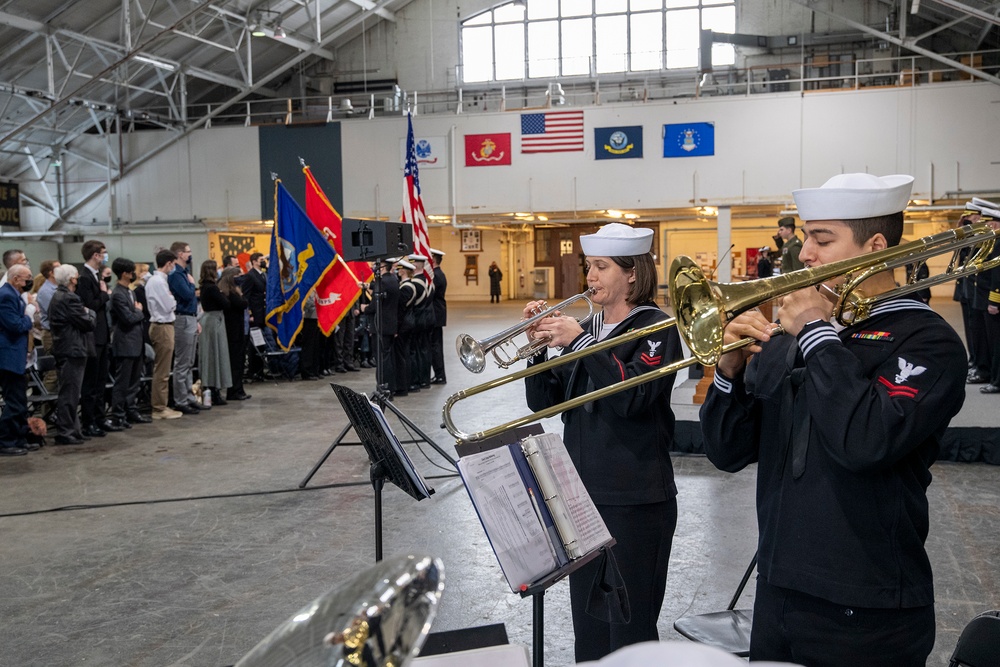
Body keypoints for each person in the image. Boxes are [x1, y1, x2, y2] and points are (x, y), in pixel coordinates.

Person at [700, 173, 968, 666]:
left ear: (876, 246)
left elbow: (865, 441)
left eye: (822, 239)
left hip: (868, 606)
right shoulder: (795, 337)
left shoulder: (927, 341)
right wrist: (728, 371)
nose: (804, 254)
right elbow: (727, 452)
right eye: (805, 238)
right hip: (778, 591)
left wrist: (818, 332)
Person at [524, 223, 683, 661]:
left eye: (601, 267)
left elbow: (632, 398)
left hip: (635, 498)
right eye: (588, 267)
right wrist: (536, 350)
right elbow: (546, 402)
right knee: (590, 626)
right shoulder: (590, 327)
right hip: (580, 495)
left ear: (632, 274)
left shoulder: (656, 327)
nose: (590, 277)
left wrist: (580, 341)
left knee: (630, 626)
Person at [47, 264, 95, 446]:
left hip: (66, 348)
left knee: (72, 392)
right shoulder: (69, 298)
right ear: (72, 280)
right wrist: (89, 312)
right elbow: (88, 323)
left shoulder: (59, 296)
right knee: (70, 393)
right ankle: (66, 431)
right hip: (72, 349)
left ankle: (74, 429)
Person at [77, 239, 120, 435]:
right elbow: (90, 305)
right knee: (91, 383)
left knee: (101, 381)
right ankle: (89, 421)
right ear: (95, 255)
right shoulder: (85, 277)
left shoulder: (96, 276)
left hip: (102, 335)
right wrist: (104, 294)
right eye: (103, 253)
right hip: (93, 336)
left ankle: (100, 417)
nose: (105, 256)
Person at [107, 258, 150, 429]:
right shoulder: (118, 294)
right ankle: (118, 414)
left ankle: (131, 410)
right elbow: (128, 318)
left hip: (135, 341)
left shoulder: (129, 292)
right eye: (132, 272)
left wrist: (136, 313)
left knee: (134, 381)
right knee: (122, 382)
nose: (134, 275)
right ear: (125, 273)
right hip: (125, 342)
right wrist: (139, 312)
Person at [0, 264, 37, 455]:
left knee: (20, 401)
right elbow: (15, 325)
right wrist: (29, 314)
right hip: (8, 356)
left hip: (17, 355)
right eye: (27, 277)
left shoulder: (14, 294)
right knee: (14, 401)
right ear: (15, 279)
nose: (29, 280)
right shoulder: (5, 295)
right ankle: (6, 441)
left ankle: (19, 438)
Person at [146, 250, 182, 420]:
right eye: (173, 264)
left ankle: (161, 404)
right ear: (168, 263)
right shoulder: (158, 282)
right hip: (162, 326)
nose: (174, 267)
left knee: (164, 368)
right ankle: (159, 407)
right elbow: (169, 305)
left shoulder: (159, 281)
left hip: (165, 325)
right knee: (162, 370)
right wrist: (173, 300)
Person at [168, 241, 202, 414]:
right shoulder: (176, 275)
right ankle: (180, 400)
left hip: (190, 318)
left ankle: (189, 396)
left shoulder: (184, 273)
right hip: (182, 319)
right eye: (188, 251)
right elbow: (188, 295)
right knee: (182, 363)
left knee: (189, 362)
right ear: (180, 254)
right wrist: (191, 284)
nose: (190, 254)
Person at [197, 260, 232, 406]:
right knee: (215, 356)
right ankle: (214, 389)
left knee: (211, 356)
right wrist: (224, 294)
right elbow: (226, 304)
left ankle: (212, 389)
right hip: (214, 322)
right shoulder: (212, 288)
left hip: (210, 320)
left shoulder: (204, 287)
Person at [219, 267, 251, 401]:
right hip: (233, 331)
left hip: (238, 329)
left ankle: (238, 389)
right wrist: (242, 295)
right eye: (238, 275)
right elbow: (243, 303)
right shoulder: (230, 293)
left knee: (239, 361)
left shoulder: (232, 291)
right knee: (235, 362)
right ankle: (234, 390)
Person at [242, 252, 268, 381]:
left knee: (261, 344)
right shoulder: (250, 276)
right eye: (261, 260)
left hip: (263, 313)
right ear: (254, 261)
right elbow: (246, 296)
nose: (263, 261)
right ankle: (254, 371)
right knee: (254, 345)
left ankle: (260, 370)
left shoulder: (263, 275)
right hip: (255, 314)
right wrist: (250, 313)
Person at [430, 248, 448, 384]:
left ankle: (440, 375)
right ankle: (439, 374)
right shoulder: (439, 273)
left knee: (435, 346)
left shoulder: (436, 275)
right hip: (438, 313)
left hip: (435, 314)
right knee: (436, 345)